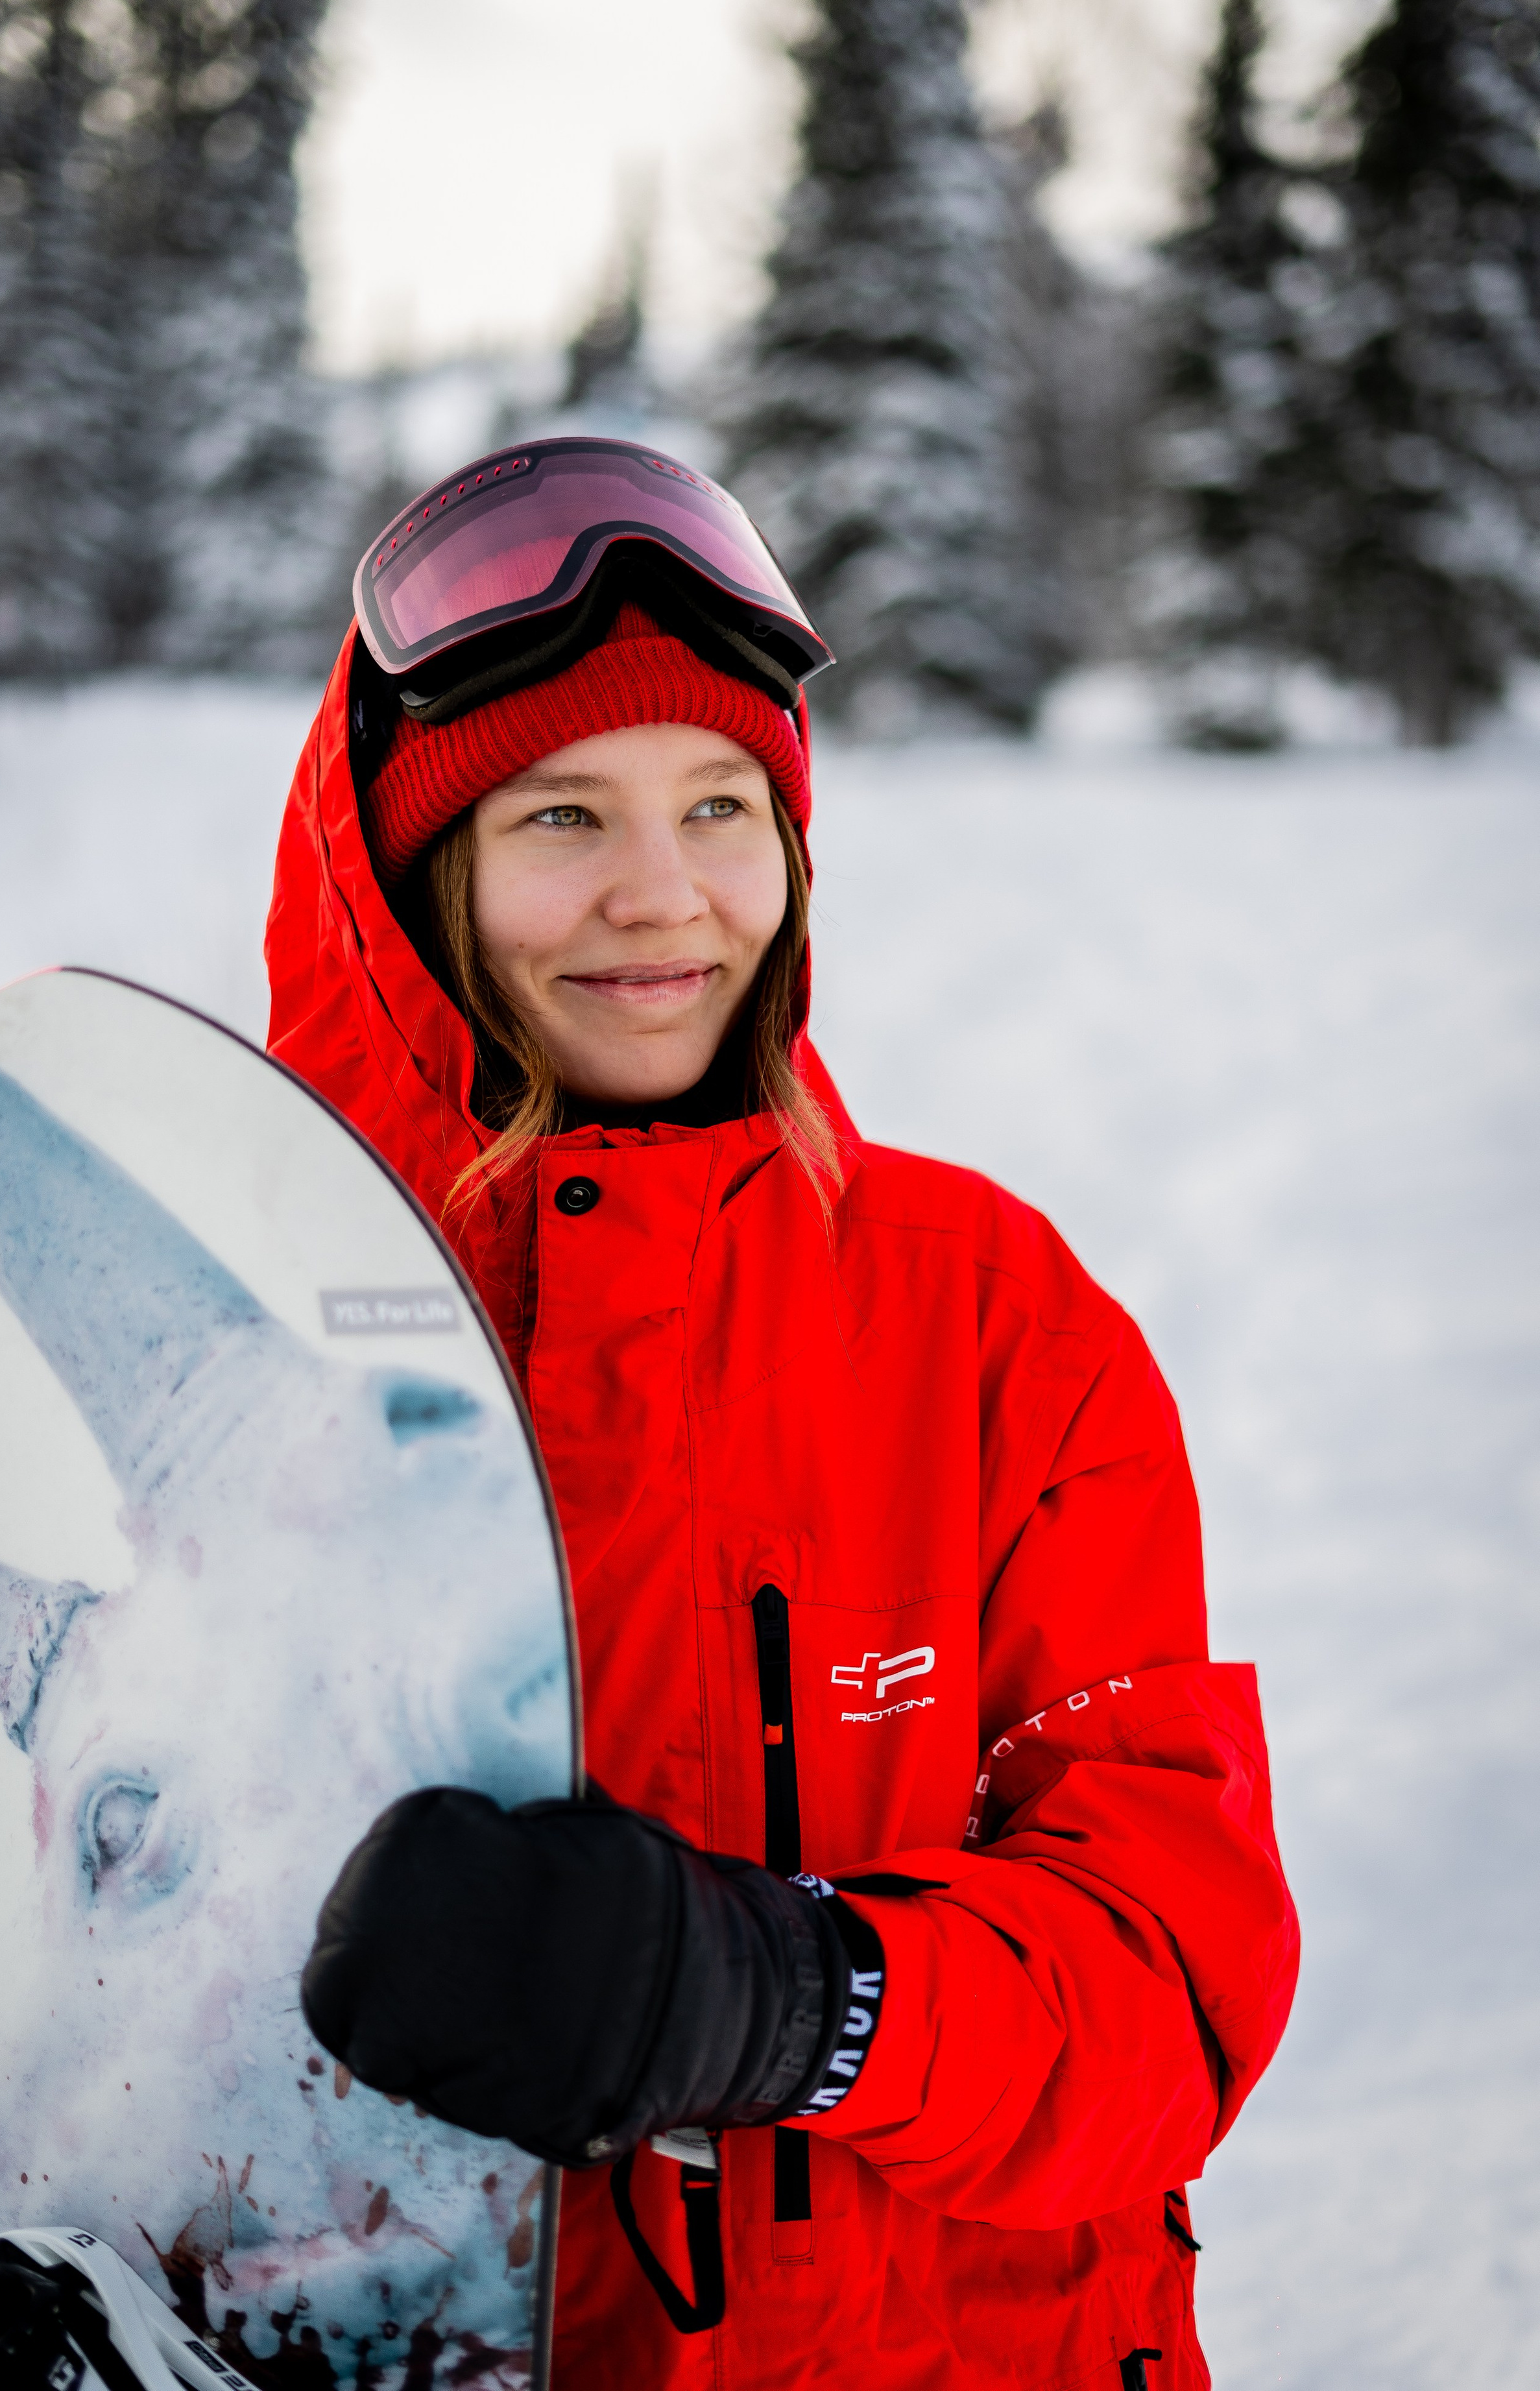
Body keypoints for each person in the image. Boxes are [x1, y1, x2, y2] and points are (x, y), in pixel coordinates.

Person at [265, 438, 1298, 2389]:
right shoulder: (247, 1359)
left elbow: (1172, 1995)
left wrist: (788, 1998)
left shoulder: (996, 1324)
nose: (664, 902)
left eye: (721, 805)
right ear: (414, 885)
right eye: (560, 814)